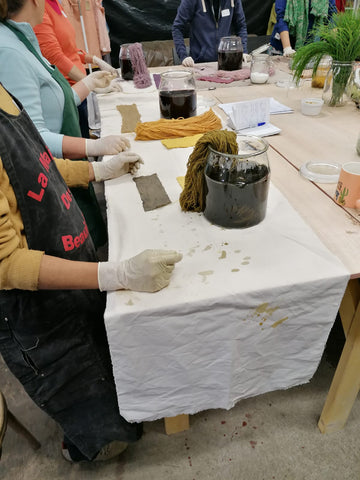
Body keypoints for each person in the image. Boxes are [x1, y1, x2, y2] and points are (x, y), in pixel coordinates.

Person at [0, 80, 183, 462]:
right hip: (32, 309)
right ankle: (82, 447)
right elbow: (6, 263)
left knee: (106, 356)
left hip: (67, 267)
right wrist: (116, 275)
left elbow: (36, 169)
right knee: (94, 414)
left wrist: (97, 171)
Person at [0, 0, 127, 247]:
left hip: (62, 169)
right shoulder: (9, 52)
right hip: (48, 183)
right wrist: (95, 148)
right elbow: (31, 139)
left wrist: (88, 84)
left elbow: (52, 101)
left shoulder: (21, 37)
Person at [33, 0, 119, 138]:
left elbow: (69, 48)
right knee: (79, 142)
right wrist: (90, 83)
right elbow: (55, 56)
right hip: (68, 92)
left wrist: (94, 59)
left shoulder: (56, 5)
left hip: (80, 88)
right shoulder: (41, 9)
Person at [172, 0, 248, 67]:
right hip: (200, 65)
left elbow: (241, 26)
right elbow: (177, 28)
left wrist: (243, 51)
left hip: (227, 62)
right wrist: (184, 56)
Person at [270, 0, 337, 56]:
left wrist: (334, 45)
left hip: (311, 47)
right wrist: (287, 49)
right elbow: (281, 17)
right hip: (282, 47)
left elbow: (332, 16)